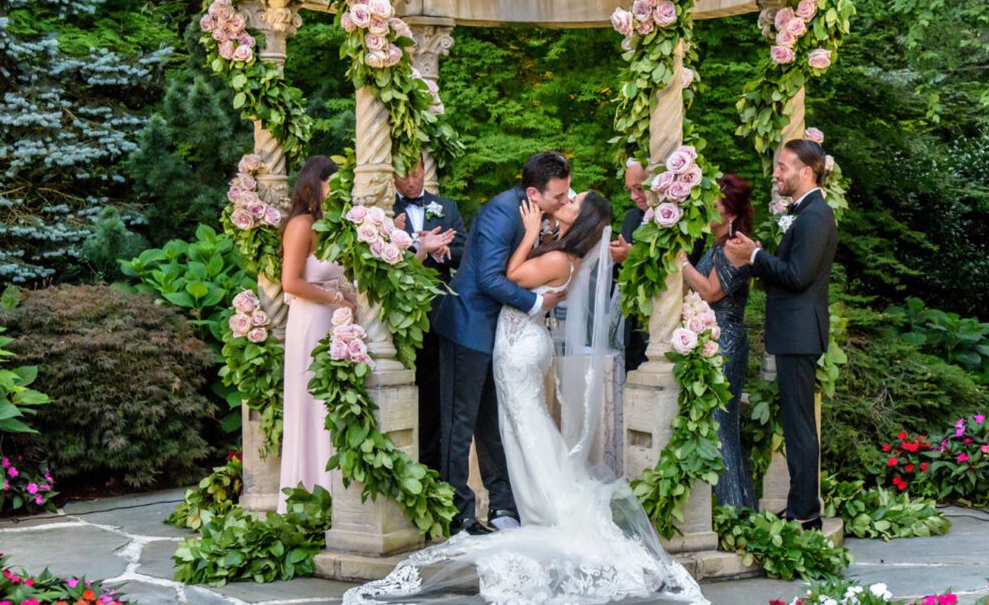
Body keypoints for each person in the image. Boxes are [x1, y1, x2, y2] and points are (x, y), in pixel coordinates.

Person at [344, 190, 707, 605]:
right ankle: (514, 503)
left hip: (520, 345)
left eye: (574, 200)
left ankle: (534, 505)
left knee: (523, 421)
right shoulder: (563, 252)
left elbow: (513, 275)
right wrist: (537, 235)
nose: (566, 200)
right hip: (522, 339)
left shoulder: (558, 257)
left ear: (582, 219)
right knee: (520, 422)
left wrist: (530, 232)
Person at [431, 150, 572, 536]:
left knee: (492, 422)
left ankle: (501, 507)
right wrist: (537, 302)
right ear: (533, 192)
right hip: (469, 326)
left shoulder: (533, 214)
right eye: (558, 196)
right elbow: (490, 279)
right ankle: (457, 514)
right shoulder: (500, 213)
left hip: (500, 335)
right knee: (460, 424)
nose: (563, 202)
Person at [725, 139, 837, 530]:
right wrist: (756, 254)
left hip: (799, 333)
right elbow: (790, 267)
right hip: (795, 332)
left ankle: (805, 514)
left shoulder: (815, 216)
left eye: (783, 167)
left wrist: (754, 257)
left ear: (806, 171)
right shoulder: (806, 212)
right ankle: (798, 507)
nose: (776, 174)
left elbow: (797, 275)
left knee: (800, 425)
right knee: (796, 423)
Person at [278, 155, 354, 513]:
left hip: (333, 320)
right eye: (331, 183)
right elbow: (290, 281)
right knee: (311, 403)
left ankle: (332, 493)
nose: (337, 190)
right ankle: (306, 491)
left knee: (327, 405)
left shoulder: (329, 226)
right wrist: (334, 298)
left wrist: (346, 297)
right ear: (315, 183)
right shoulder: (302, 223)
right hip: (310, 321)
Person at [680, 174, 759, 510]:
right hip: (712, 340)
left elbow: (712, 291)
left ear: (729, 215)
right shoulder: (714, 245)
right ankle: (727, 506)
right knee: (716, 425)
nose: (705, 212)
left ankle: (734, 509)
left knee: (720, 425)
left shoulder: (735, 246)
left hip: (725, 342)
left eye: (712, 207)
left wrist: (680, 262)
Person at [391, 156, 465, 472]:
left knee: (435, 394)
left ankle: (433, 467)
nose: (412, 181)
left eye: (417, 173)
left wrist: (443, 250)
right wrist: (415, 249)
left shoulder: (445, 206)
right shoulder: (381, 211)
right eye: (405, 175)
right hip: (395, 316)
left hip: (437, 316)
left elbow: (464, 250)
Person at [610, 158, 650, 371]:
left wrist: (630, 255)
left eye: (639, 188)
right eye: (629, 189)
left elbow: (680, 265)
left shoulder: (682, 220)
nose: (634, 196)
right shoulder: (631, 217)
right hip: (629, 322)